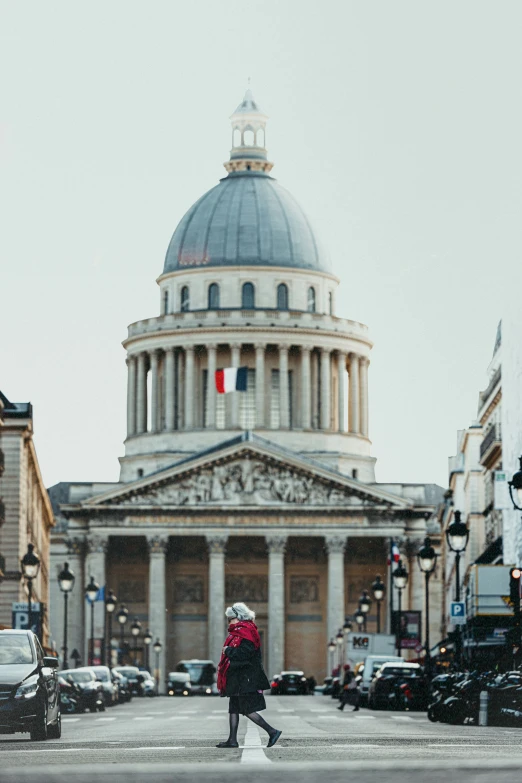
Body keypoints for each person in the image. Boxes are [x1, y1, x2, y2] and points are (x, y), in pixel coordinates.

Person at [216, 602, 282, 749]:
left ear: (238, 617)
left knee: (247, 709)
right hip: (238, 677)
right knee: (233, 708)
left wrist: (228, 651)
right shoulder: (240, 631)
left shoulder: (246, 631)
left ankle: (272, 731)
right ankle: (232, 740)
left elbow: (246, 653)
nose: (229, 622)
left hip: (245, 677)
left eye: (231, 618)